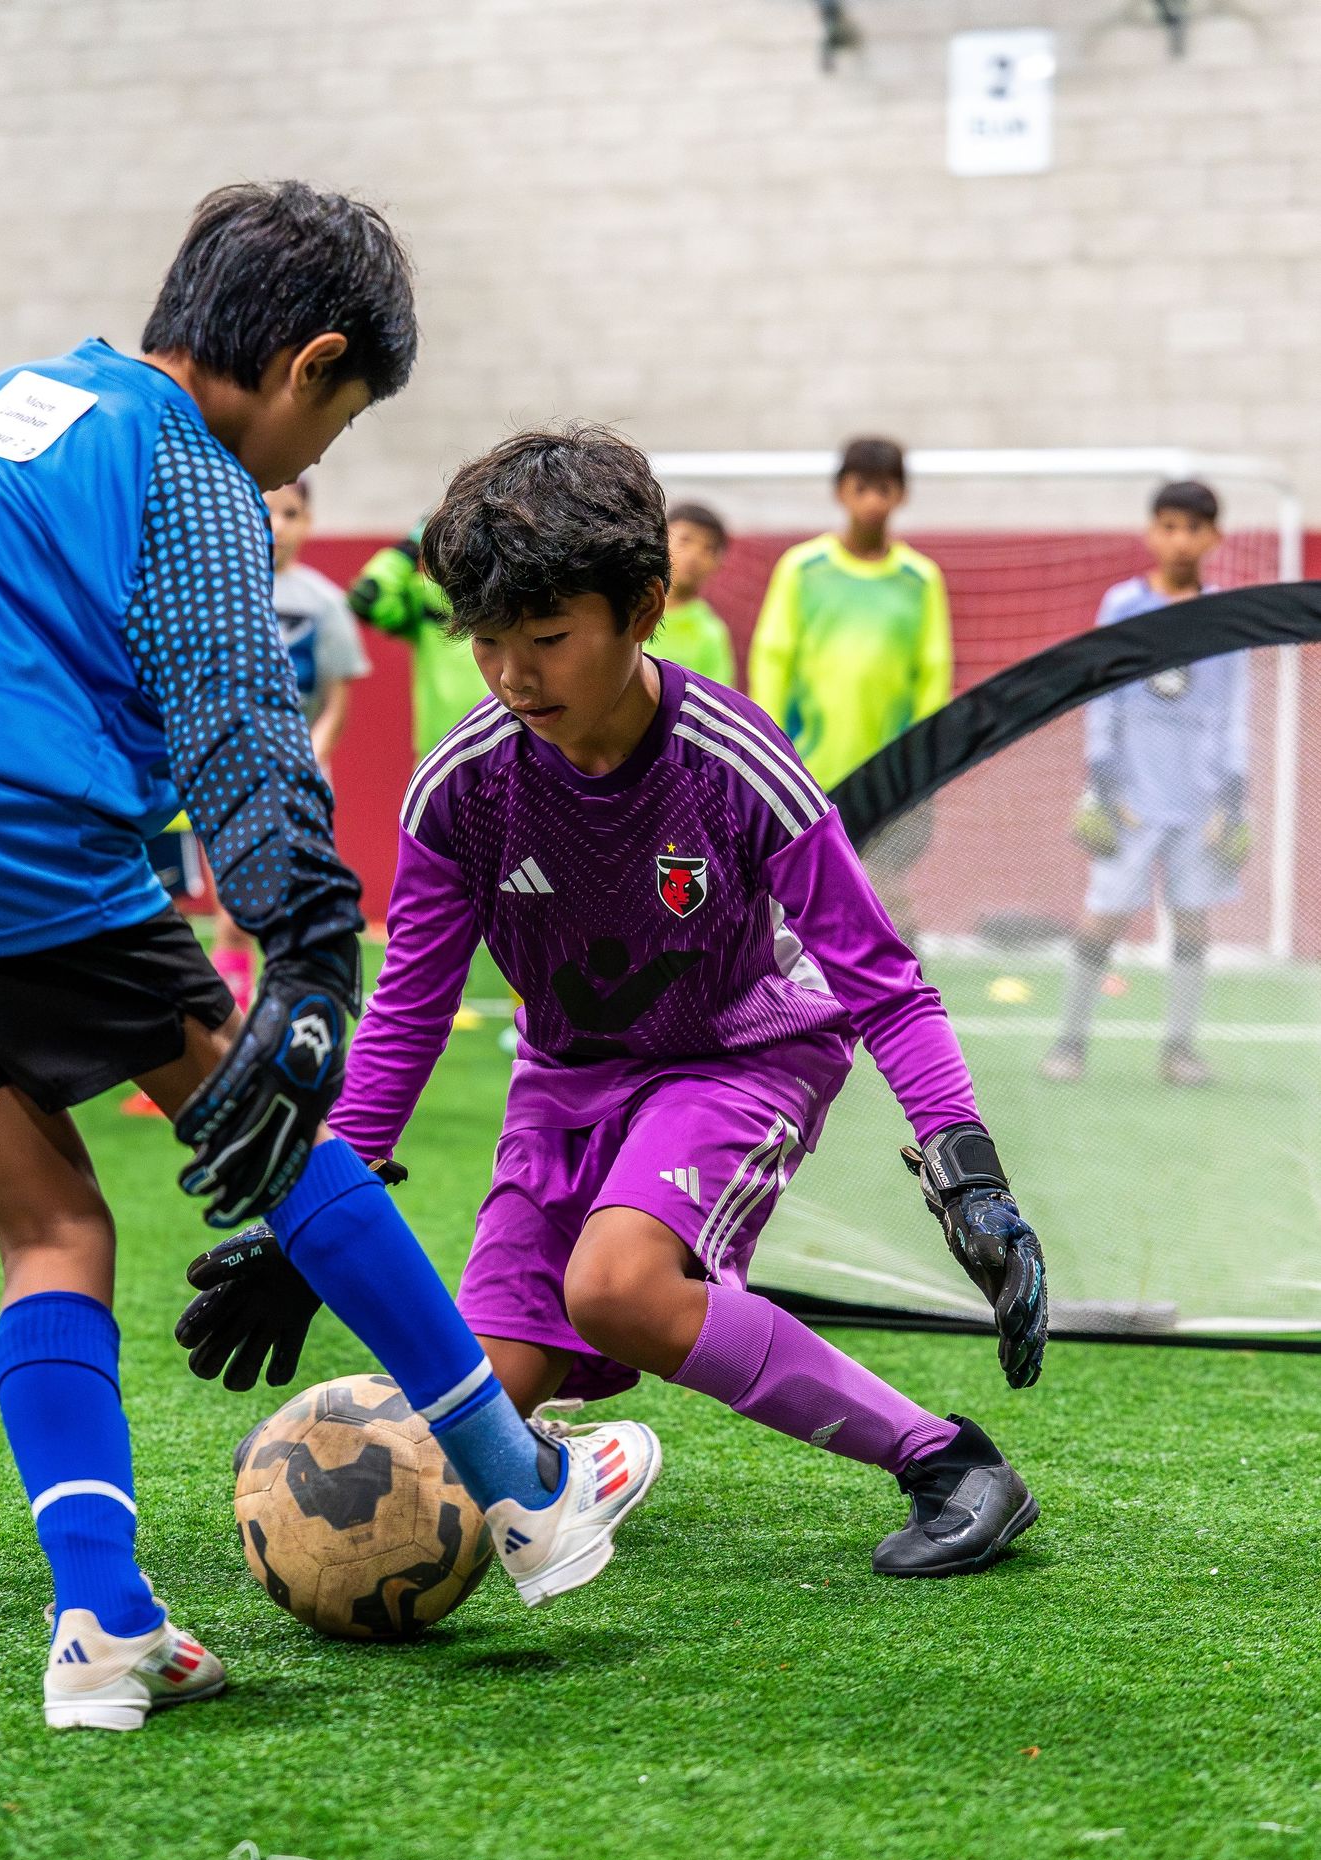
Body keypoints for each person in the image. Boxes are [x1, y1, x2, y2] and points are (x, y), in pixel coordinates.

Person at [0, 186, 660, 1733]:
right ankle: (525, 1488)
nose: (306, 463)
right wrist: (312, 952)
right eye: (334, 424)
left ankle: (105, 1622)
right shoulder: (186, 463)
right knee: (276, 1130)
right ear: (309, 362)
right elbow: (239, 711)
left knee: (49, 1220)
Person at [178, 427, 1048, 1580]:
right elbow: (406, 1015)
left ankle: (949, 1461)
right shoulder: (460, 791)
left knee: (617, 1288)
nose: (512, 675)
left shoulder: (734, 761)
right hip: (564, 1083)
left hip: (740, 1059)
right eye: (487, 641)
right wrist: (314, 1217)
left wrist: (970, 1175)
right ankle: (584, 1456)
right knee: (468, 1421)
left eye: (545, 639)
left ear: (642, 610)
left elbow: (883, 982)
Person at [1041, 481, 1247, 1089]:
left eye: (1193, 528)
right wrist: (1103, 785)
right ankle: (1070, 1043)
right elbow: (1100, 695)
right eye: (1169, 526)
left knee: (1193, 922)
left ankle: (1179, 1051)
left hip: (1199, 801)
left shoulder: (1224, 614)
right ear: (1152, 532)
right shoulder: (1124, 605)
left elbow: (1234, 707)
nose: (1180, 540)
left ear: (1215, 537)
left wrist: (1232, 798)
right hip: (1131, 797)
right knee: (1102, 919)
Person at [747, 438, 953, 943]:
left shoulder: (920, 579)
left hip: (892, 777)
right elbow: (773, 658)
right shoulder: (802, 568)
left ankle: (903, 992)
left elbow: (934, 672)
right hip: (809, 771)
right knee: (801, 905)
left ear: (901, 495)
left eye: (884, 489)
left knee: (885, 900)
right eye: (862, 488)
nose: (873, 502)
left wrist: (921, 759)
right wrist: (774, 749)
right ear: (841, 491)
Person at [210, 477, 372, 1011]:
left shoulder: (325, 603)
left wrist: (305, 763)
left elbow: (335, 703)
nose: (275, 526)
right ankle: (232, 1035)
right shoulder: (216, 591)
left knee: (294, 907)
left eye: (290, 514)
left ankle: (290, 1026)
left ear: (308, 523)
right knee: (233, 911)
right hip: (227, 772)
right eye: (265, 511)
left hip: (300, 777)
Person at [347, 519, 485, 757]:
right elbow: (366, 597)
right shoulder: (427, 597)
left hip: (512, 745)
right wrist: (409, 547)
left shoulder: (513, 594)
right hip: (442, 754)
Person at [658, 501, 736, 683]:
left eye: (708, 548)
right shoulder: (626, 611)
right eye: (685, 540)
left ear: (718, 562)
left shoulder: (711, 634)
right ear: (660, 541)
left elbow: (715, 698)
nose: (694, 555)